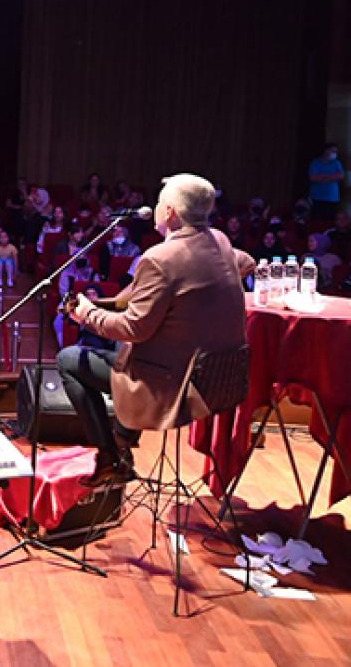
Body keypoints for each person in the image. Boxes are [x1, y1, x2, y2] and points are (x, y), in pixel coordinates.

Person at [62, 173, 256, 487]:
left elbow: (132, 328)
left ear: (170, 213)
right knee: (127, 352)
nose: (154, 207)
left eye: (159, 202)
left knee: (70, 360)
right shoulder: (219, 240)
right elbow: (245, 262)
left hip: (176, 386)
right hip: (221, 376)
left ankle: (110, 457)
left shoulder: (160, 258)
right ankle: (122, 443)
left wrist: (87, 315)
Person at [308, 143, 345, 221]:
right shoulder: (316, 162)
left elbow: (341, 176)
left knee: (330, 220)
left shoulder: (337, 163)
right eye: (333, 151)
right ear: (326, 151)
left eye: (336, 152)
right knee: (316, 221)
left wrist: (322, 176)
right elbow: (313, 178)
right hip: (317, 197)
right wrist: (332, 176)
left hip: (332, 197)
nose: (335, 153)